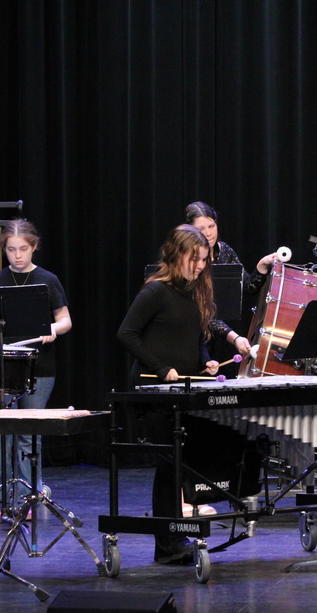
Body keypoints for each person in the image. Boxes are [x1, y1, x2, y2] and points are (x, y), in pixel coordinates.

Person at [117, 225, 219, 564]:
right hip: (154, 390)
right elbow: (127, 334)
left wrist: (206, 362)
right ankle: (168, 545)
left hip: (184, 389)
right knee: (169, 465)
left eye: (204, 260)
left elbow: (197, 338)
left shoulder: (195, 291)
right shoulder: (155, 292)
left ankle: (174, 539)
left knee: (182, 463)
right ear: (176, 256)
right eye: (195, 260)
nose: (200, 266)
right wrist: (162, 369)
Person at [0, 220, 72, 521]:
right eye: (11, 250)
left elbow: (65, 320)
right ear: (4, 250)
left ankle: (28, 497)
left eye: (23, 249)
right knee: (0, 434)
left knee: (28, 435)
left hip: (39, 366)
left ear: (34, 247)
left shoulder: (47, 279)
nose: (17, 255)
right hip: (3, 367)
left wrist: (52, 329)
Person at [184, 201, 284, 359]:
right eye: (200, 229)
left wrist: (261, 266)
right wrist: (234, 337)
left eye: (211, 226)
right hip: (196, 340)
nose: (208, 233)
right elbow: (203, 313)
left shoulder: (224, 250)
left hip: (225, 339)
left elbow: (249, 287)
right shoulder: (188, 262)